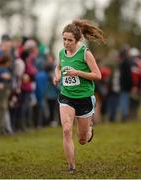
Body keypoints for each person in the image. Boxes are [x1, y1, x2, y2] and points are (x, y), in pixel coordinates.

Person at [53, 19, 105, 172]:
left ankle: (88, 129)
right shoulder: (62, 52)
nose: (66, 43)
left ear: (77, 40)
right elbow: (58, 67)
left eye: (70, 40)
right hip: (66, 96)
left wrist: (78, 73)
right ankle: (71, 166)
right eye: (64, 39)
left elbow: (98, 75)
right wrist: (56, 76)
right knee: (66, 130)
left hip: (84, 98)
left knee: (82, 139)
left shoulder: (85, 54)